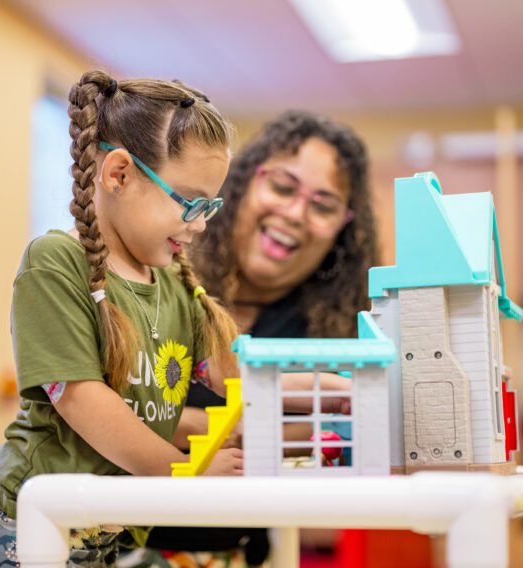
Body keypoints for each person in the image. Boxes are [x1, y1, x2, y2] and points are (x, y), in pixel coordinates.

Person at [0, 72, 350, 568]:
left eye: (210, 205)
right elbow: (84, 401)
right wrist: (185, 475)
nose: (202, 223)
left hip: (109, 527)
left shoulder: (171, 286)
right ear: (119, 175)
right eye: (190, 202)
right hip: (29, 526)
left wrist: (335, 390)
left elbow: (237, 372)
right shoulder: (56, 262)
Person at [144, 111, 378, 565]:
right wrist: (230, 429)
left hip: (236, 553)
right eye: (283, 187)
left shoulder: (336, 332)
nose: (295, 213)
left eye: (324, 205)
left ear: (342, 231)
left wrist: (184, 428)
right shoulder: (158, 275)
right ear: (243, 183)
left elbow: (335, 432)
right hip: (109, 538)